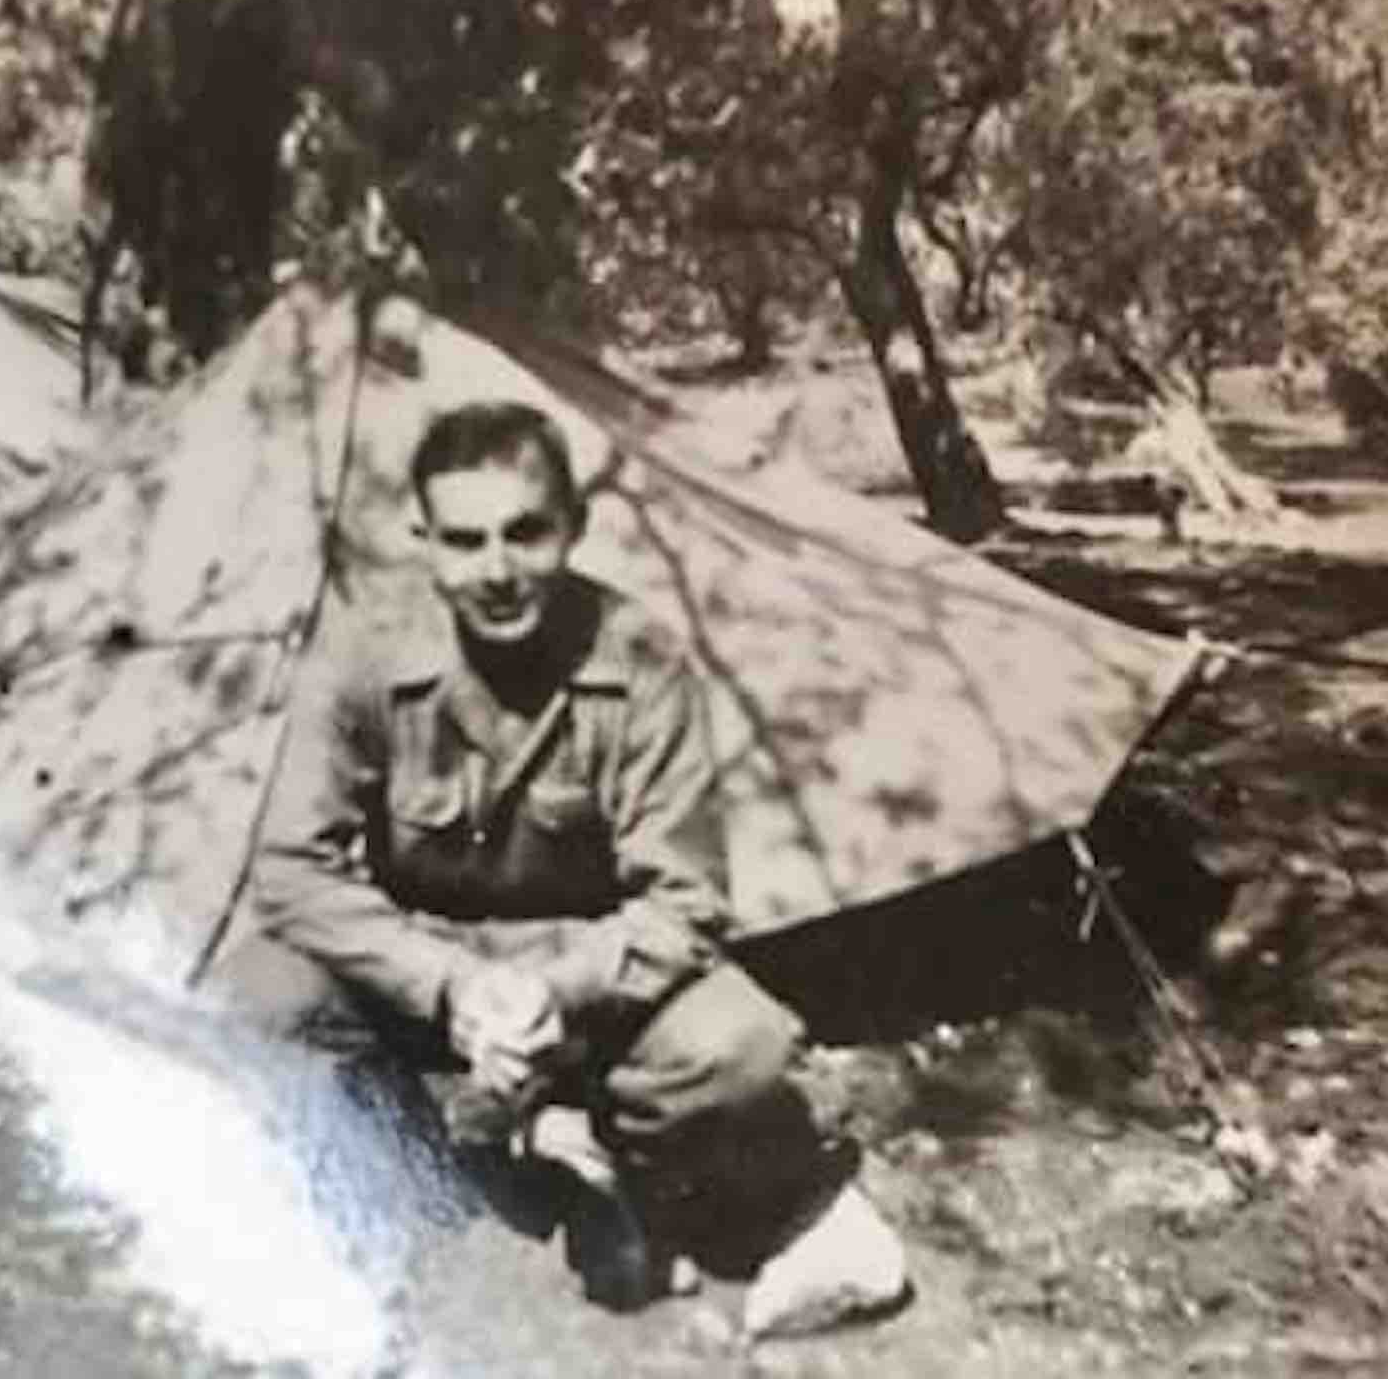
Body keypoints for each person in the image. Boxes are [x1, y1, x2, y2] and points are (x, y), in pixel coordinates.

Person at [218, 400, 909, 1334]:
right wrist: (454, 988)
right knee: (267, 995)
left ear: (575, 527)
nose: (496, 570)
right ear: (424, 541)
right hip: (424, 974)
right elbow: (294, 873)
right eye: (463, 541)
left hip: (587, 992)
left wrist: (548, 995)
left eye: (526, 533)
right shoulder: (359, 654)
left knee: (736, 1048)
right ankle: (412, 1172)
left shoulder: (645, 661)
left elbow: (685, 905)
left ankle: (618, 1167)